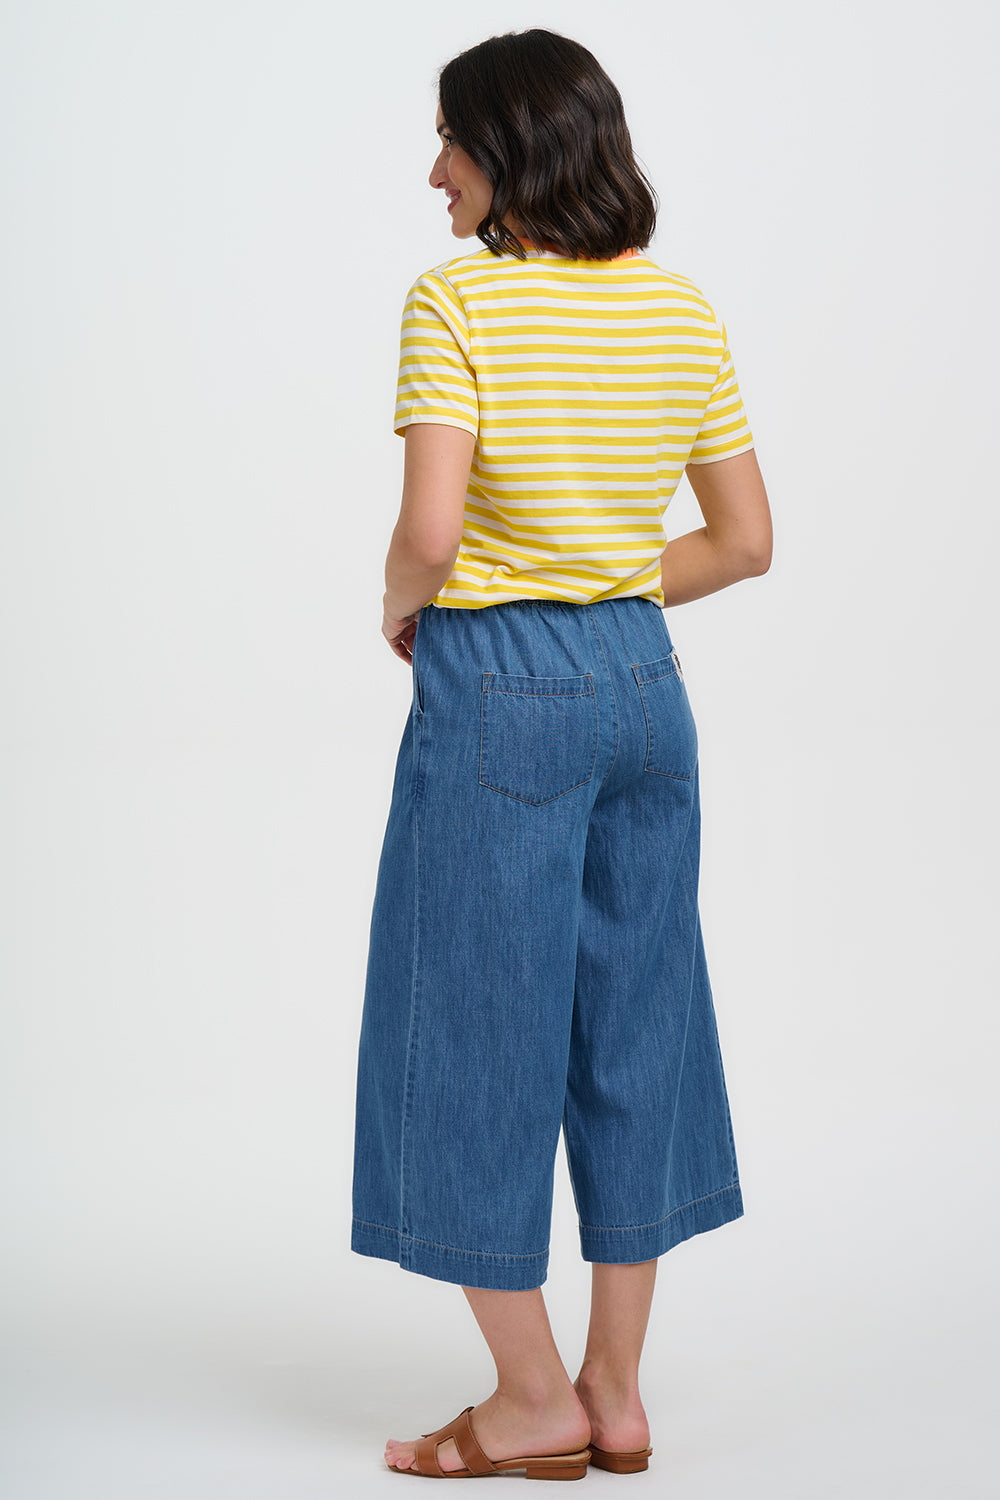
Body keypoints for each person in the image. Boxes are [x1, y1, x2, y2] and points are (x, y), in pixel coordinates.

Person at [351, 27, 772, 1481]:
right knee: (637, 1022)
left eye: (452, 145)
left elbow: (428, 529)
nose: (434, 174)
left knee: (469, 1026)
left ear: (511, 152)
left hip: (501, 689)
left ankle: (531, 1400)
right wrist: (604, 576)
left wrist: (403, 607)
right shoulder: (681, 308)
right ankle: (617, 1391)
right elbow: (745, 542)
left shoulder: (455, 302)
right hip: (646, 690)